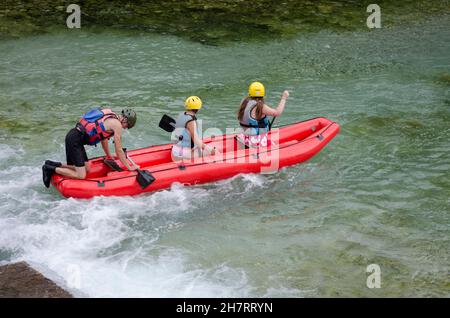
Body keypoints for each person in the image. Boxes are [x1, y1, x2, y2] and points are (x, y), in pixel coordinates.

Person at [42, 107, 138, 188]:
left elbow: (103, 139)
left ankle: (53, 164)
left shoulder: (110, 116)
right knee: (81, 175)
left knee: (87, 167)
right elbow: (119, 150)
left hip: (74, 137)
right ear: (125, 120)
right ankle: (49, 168)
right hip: (75, 140)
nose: (125, 128)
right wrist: (129, 168)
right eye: (127, 126)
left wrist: (108, 156)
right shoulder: (117, 125)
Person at [237, 82, 289, 148]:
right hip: (254, 141)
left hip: (243, 137)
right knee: (274, 146)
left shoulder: (243, 102)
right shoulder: (260, 106)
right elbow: (277, 113)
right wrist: (284, 98)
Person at [171, 96, 215, 161]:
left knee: (198, 149)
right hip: (182, 155)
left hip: (174, 152)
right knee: (214, 152)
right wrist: (211, 150)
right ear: (198, 108)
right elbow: (197, 142)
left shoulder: (181, 115)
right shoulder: (191, 121)